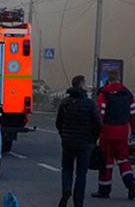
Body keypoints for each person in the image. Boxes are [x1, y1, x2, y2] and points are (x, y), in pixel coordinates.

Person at [92, 71, 135, 200]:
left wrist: (95, 133)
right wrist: (134, 132)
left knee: (106, 161)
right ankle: (131, 182)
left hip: (107, 132)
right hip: (123, 131)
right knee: (123, 159)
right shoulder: (127, 93)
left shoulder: (104, 93)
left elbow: (100, 114)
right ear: (119, 79)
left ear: (108, 80)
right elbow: (133, 114)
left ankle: (104, 190)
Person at [56, 75, 101, 207]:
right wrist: (93, 139)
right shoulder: (89, 103)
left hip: (68, 143)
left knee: (67, 169)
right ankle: (78, 202)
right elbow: (98, 124)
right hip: (85, 144)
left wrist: (63, 135)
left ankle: (66, 190)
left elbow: (58, 122)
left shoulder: (65, 102)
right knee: (81, 174)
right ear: (81, 85)